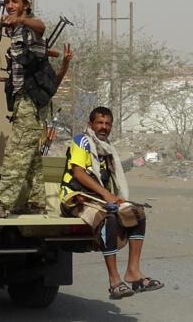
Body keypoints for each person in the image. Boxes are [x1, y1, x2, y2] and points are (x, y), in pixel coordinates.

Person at [0, 0, 71, 217]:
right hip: (22, 99)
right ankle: (38, 202)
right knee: (31, 157)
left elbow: (42, 26)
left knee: (16, 153)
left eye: (14, 2)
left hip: (30, 99)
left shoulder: (29, 25)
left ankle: (1, 205)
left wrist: (19, 20)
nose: (10, 6)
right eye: (7, 2)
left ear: (25, 5)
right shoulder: (17, 30)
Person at [59, 107, 163, 299]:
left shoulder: (106, 148)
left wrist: (116, 197)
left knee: (137, 213)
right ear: (91, 124)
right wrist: (107, 195)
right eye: (100, 123)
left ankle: (133, 272)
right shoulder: (81, 141)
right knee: (109, 220)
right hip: (77, 198)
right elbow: (78, 173)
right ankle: (114, 281)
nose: (103, 127)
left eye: (107, 124)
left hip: (99, 198)